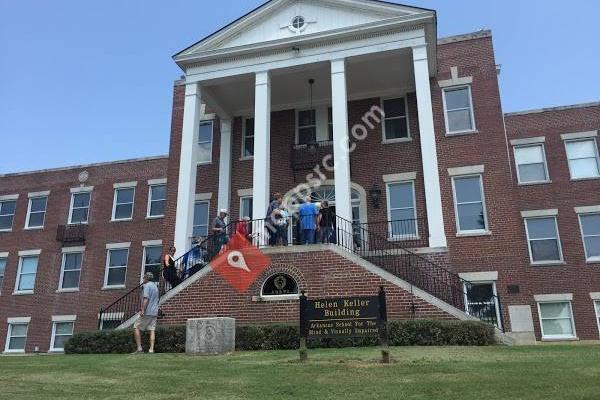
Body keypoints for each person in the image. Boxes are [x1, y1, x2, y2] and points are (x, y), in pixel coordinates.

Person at [133, 272, 160, 353]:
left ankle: (139, 349)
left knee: (136, 327)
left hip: (147, 312)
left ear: (146, 278)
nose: (143, 279)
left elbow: (146, 298)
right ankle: (151, 349)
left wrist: (142, 310)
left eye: (144, 278)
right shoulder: (155, 287)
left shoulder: (147, 286)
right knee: (152, 329)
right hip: (154, 312)